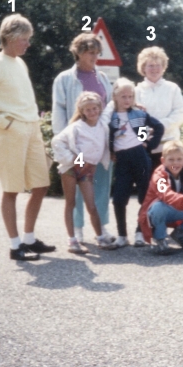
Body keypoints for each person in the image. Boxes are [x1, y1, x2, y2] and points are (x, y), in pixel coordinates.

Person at [0, 14, 55, 261]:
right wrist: (6, 124)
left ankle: (29, 239)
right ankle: (15, 245)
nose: (28, 44)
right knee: (12, 190)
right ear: (9, 37)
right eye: (25, 39)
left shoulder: (21, 64)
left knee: (41, 184)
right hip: (10, 132)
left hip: (32, 129)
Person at [52, 33, 115, 244]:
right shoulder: (64, 79)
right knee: (78, 185)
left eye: (97, 53)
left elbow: (110, 109)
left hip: (99, 144)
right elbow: (59, 113)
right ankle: (77, 230)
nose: (94, 57)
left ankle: (102, 229)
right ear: (78, 53)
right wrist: (66, 150)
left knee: (101, 186)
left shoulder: (103, 78)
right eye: (90, 53)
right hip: (76, 146)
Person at [51, 93, 117, 254]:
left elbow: (112, 105)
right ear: (82, 111)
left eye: (95, 108)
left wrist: (134, 103)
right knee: (71, 202)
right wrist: (76, 160)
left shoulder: (103, 123)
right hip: (71, 169)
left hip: (86, 170)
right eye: (88, 110)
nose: (92, 112)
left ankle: (100, 237)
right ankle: (73, 241)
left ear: (99, 108)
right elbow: (56, 142)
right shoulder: (76, 127)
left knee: (91, 205)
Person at [103, 78, 164, 247]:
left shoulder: (140, 113)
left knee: (144, 197)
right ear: (115, 97)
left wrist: (148, 145)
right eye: (123, 96)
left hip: (140, 157)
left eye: (130, 96)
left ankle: (140, 232)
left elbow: (159, 127)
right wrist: (111, 150)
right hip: (122, 160)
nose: (127, 100)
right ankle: (122, 235)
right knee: (119, 198)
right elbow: (104, 134)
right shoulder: (110, 116)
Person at [134, 46, 183, 174]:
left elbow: (180, 113)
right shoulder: (137, 91)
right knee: (148, 188)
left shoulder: (173, 88)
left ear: (163, 67)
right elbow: (135, 119)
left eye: (158, 65)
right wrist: (144, 137)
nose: (154, 69)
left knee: (171, 188)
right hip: (146, 148)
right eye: (150, 65)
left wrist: (159, 127)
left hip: (170, 148)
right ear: (143, 68)